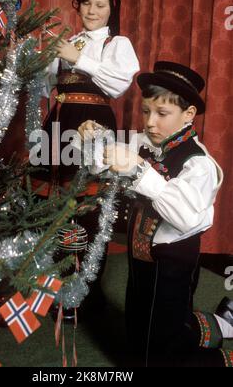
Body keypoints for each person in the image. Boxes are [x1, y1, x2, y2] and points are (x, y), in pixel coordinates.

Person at [78, 61, 233, 367]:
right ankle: (213, 325)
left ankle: (221, 358)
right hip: (141, 262)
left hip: (172, 267)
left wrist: (138, 169)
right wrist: (93, 139)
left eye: (162, 114)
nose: (150, 122)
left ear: (188, 116)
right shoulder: (147, 144)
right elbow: (105, 162)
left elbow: (186, 216)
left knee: (166, 343)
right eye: (147, 111)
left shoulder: (198, 163)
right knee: (140, 328)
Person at [31, 0, 139, 313]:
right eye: (87, 3)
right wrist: (41, 61)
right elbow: (47, 87)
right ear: (77, 5)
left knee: (88, 209)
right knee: (50, 205)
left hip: (92, 126)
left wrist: (76, 58)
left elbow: (119, 83)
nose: (92, 11)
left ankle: (82, 297)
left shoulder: (116, 43)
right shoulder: (70, 40)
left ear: (112, 8)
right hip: (58, 123)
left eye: (100, 5)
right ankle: (50, 287)